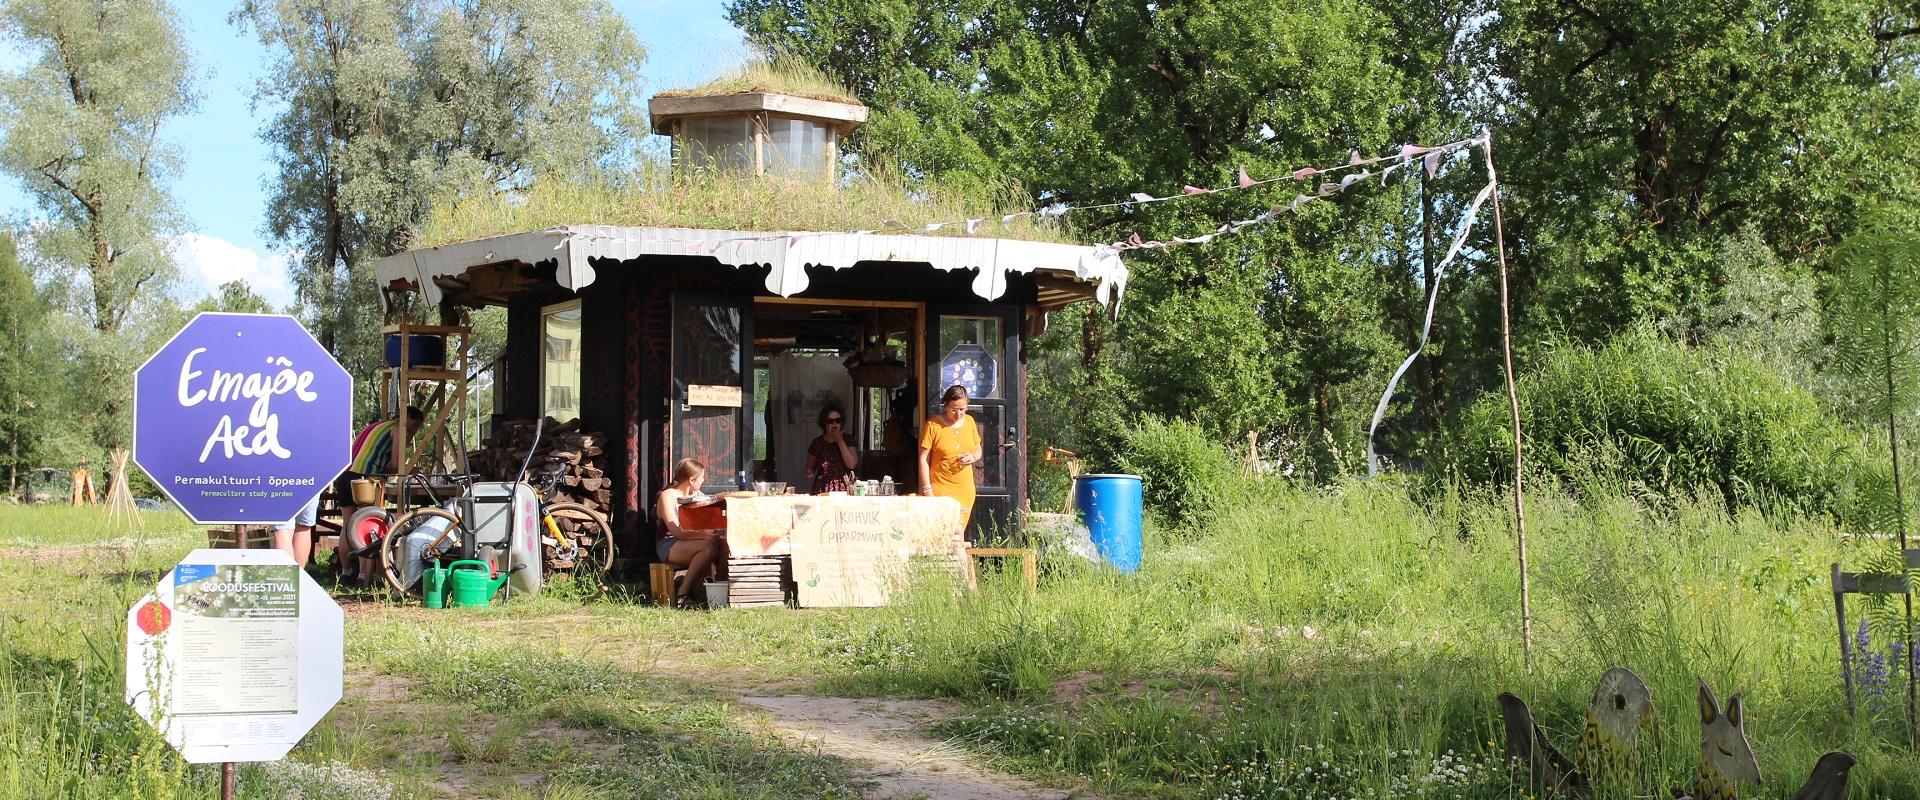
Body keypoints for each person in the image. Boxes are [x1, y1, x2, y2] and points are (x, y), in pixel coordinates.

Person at [332, 405, 424, 577]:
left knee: (348, 525)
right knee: (361, 524)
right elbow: (396, 465)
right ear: (408, 417)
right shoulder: (397, 429)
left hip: (344, 475)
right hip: (362, 477)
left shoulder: (375, 426)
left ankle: (346, 572)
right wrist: (410, 470)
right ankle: (363, 576)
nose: (414, 431)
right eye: (415, 425)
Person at [655, 458, 729, 607]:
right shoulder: (668, 496)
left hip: (692, 542)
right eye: (701, 478)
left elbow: (707, 525)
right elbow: (677, 532)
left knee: (723, 544)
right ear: (691, 479)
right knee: (708, 546)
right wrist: (707, 536)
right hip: (669, 544)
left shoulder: (696, 494)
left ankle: (722, 592)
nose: (703, 481)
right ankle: (683, 592)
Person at [918, 385, 983, 525]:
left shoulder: (970, 422)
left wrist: (973, 457)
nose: (959, 414)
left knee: (959, 530)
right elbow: (923, 459)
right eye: (954, 410)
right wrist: (927, 489)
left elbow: (978, 449)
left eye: (962, 410)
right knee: (942, 530)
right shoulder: (932, 425)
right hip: (941, 487)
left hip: (965, 488)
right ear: (945, 404)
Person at [804, 403, 859, 494]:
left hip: (844, 489)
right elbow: (810, 467)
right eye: (830, 421)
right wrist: (809, 471)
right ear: (824, 423)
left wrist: (840, 441)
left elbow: (852, 465)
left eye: (838, 420)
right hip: (822, 489)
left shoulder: (848, 439)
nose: (834, 423)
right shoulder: (817, 442)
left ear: (841, 423)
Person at [272, 494, 319, 567]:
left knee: (282, 527)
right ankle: (299, 576)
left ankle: (289, 576)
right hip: (312, 485)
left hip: (280, 485)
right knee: (304, 526)